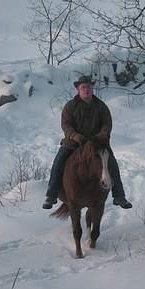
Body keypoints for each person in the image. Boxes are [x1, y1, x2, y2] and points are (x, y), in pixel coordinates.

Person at [42, 75, 132, 210]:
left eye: (88, 87)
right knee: (58, 161)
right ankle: (52, 194)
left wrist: (99, 137)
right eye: (83, 87)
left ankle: (119, 195)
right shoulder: (70, 106)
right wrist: (75, 136)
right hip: (73, 143)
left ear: (92, 88)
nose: (86, 90)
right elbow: (66, 125)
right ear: (78, 89)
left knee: (111, 162)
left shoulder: (101, 106)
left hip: (97, 143)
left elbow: (107, 124)